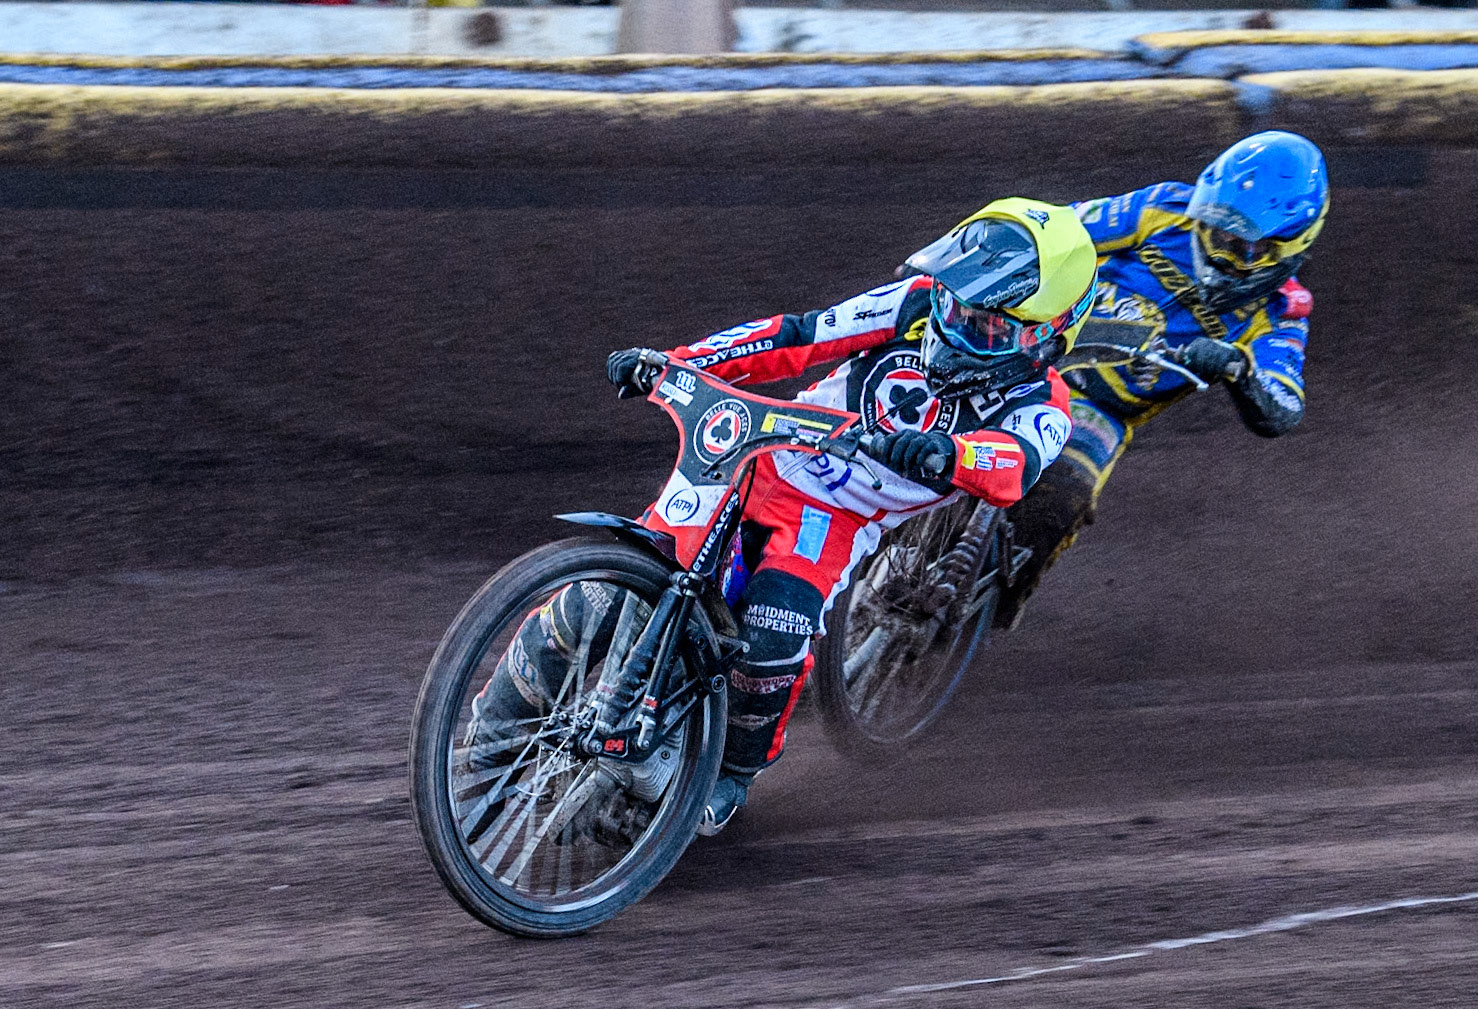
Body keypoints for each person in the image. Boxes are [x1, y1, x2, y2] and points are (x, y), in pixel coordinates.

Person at [466, 198, 1099, 835]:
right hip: (759, 456)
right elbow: (798, 336)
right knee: (605, 596)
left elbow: (1012, 464)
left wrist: (951, 451)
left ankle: (730, 775)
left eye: (984, 326)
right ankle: (480, 752)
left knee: (771, 640)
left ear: (1047, 334)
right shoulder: (913, 304)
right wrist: (677, 362)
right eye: (953, 304)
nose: (954, 325)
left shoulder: (1044, 404)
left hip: (835, 520)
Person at [992, 130, 1328, 629]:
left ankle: (976, 615)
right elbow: (1058, 230)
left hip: (1095, 408)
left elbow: (1283, 405)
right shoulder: (1163, 208)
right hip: (1028, 344)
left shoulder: (1281, 314)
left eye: (1242, 245)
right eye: (1215, 229)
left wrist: (1237, 369)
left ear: (1288, 248)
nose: (1220, 248)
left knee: (1060, 497)